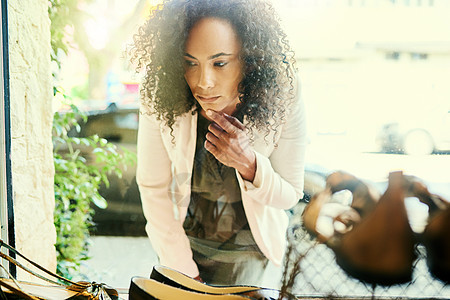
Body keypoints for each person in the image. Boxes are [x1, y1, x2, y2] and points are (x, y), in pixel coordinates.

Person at [131, 0, 307, 286]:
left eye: (220, 63)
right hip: (182, 244)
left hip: (249, 250)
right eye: (190, 63)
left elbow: (289, 194)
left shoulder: (284, 93)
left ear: (250, 60)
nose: (204, 82)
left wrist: (248, 164)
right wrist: (182, 269)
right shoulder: (159, 92)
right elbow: (153, 188)